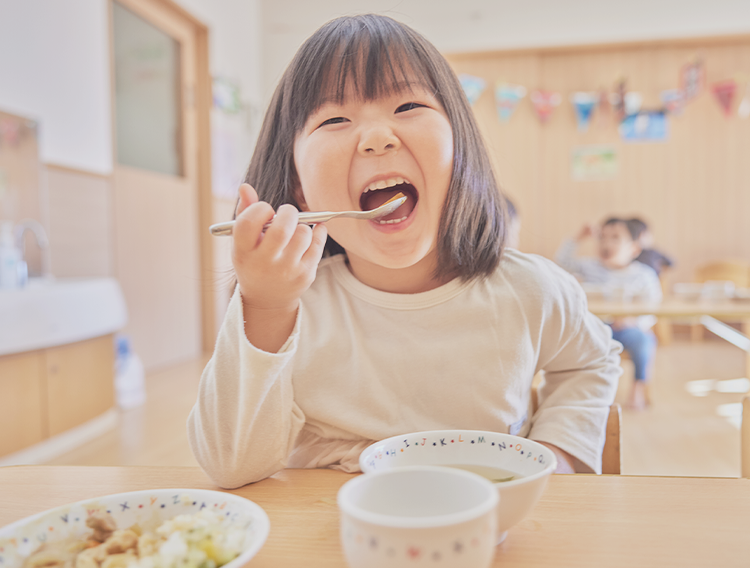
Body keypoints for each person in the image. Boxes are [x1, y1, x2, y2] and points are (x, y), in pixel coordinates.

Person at [188, 14, 621, 489]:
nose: (378, 137)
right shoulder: (290, 307)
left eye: (409, 105)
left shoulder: (528, 290)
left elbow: (589, 362)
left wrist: (557, 452)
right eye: (335, 119)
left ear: (459, 152)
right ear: (300, 188)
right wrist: (267, 304)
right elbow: (230, 464)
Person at [556, 218, 662, 410]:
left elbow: (652, 310)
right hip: (594, 327)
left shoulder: (644, 275)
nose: (607, 243)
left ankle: (638, 388)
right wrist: (578, 237)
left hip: (627, 330)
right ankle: (582, 391)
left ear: (634, 249)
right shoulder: (590, 267)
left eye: (615, 238)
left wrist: (634, 321)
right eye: (602, 238)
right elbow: (562, 262)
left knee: (644, 341)